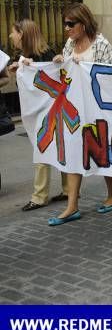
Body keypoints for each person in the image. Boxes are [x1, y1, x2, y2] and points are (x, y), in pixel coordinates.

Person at [49, 3, 112, 226]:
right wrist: (60, 62)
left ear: (84, 22)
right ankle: (72, 205)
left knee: (102, 150)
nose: (67, 28)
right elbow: (64, 74)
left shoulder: (101, 44)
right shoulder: (70, 44)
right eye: (65, 24)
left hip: (98, 109)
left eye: (71, 24)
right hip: (75, 110)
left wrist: (86, 68)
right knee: (72, 152)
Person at [7, 19, 69, 211]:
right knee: (56, 147)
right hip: (43, 110)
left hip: (50, 110)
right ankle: (66, 189)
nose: (11, 36)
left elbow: (56, 75)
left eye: (13, 32)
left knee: (43, 148)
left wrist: (57, 61)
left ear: (22, 34)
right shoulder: (26, 55)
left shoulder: (45, 54)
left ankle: (40, 196)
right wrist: (20, 69)